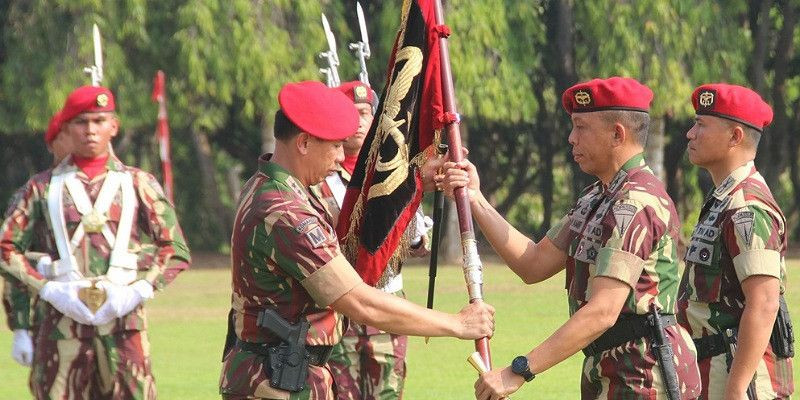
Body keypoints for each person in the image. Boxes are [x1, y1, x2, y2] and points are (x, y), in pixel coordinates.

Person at [218, 80, 494, 400]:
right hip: (277, 380)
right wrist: (457, 324)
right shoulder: (286, 212)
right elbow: (360, 302)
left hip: (277, 373)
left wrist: (414, 183)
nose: (341, 157)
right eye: (335, 146)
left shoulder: (269, 188)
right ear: (304, 143)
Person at [441, 77, 701, 399]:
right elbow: (533, 263)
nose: (571, 138)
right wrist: (475, 198)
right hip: (611, 370)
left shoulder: (635, 203)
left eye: (581, 127)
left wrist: (520, 369)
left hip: (643, 376)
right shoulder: (597, 198)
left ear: (617, 134)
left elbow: (603, 310)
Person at [0, 85, 192, 399]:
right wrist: (48, 289)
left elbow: (175, 249)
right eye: (81, 122)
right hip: (61, 326)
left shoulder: (137, 183)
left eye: (99, 121)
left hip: (124, 327)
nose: (91, 130)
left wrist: (138, 291)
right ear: (66, 128)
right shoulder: (41, 189)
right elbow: (6, 247)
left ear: (113, 126)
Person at [314, 81, 431, 400]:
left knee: (388, 391)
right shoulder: (318, 178)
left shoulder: (393, 175)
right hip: (340, 308)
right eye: (350, 112)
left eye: (366, 112)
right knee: (340, 392)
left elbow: (418, 242)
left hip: (387, 300)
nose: (359, 119)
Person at [677, 83, 793, 399]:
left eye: (701, 125)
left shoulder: (747, 207)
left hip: (740, 381)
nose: (690, 133)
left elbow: (765, 302)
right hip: (710, 372)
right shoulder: (724, 200)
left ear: (735, 136)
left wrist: (736, 388)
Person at [3, 112, 73, 368]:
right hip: (50, 316)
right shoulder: (35, 193)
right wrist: (20, 326)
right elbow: (12, 259)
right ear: (53, 143)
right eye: (69, 134)